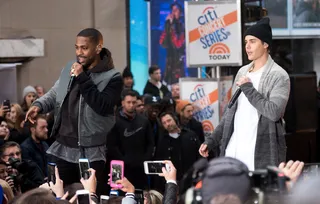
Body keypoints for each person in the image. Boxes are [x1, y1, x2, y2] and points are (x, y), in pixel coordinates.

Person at [25, 28, 123, 196]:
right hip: (63, 147)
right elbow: (55, 93)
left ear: (98, 48)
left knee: (92, 196)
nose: (79, 52)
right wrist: (38, 105)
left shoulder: (112, 77)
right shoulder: (70, 69)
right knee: (58, 195)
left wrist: (82, 77)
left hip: (92, 150)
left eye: (84, 48)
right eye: (76, 47)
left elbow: (101, 105)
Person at [199, 18, 290, 170]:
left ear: (265, 44)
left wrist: (248, 88)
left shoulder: (279, 75)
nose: (247, 46)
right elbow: (230, 113)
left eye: (252, 41)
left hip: (260, 151)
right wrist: (212, 140)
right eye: (246, 42)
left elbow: (274, 112)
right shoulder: (242, 72)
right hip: (233, 149)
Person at [107, 90, 154, 190]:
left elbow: (150, 143)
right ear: (122, 103)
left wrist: (145, 159)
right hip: (118, 165)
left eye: (134, 102)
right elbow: (111, 145)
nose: (131, 105)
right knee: (117, 195)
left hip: (140, 166)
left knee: (141, 194)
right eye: (128, 102)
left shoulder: (144, 121)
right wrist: (124, 160)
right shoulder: (113, 121)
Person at [155, 112, 200, 192]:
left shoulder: (190, 135)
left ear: (175, 120)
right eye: (164, 123)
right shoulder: (162, 141)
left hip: (191, 178)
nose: (167, 124)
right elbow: (159, 161)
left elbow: (199, 155)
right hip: (173, 181)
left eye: (169, 120)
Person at [159, 2, 185, 85]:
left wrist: (171, 28)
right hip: (169, 64)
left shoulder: (183, 26)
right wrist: (167, 25)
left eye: (176, 10)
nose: (173, 13)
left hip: (180, 65)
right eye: (172, 10)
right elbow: (162, 43)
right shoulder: (169, 25)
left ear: (180, 12)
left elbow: (178, 45)